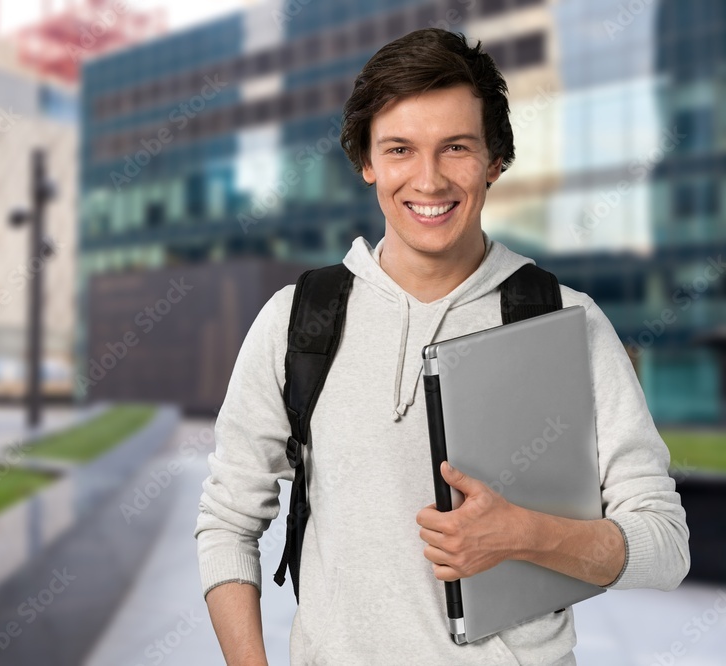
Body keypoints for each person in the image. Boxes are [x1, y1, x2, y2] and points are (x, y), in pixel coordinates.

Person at [194, 28, 690, 665]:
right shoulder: (297, 321)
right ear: (367, 161)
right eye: (400, 148)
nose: (428, 180)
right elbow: (228, 522)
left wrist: (526, 535)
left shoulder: (566, 322)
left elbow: (666, 548)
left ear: (493, 161)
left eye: (455, 148)